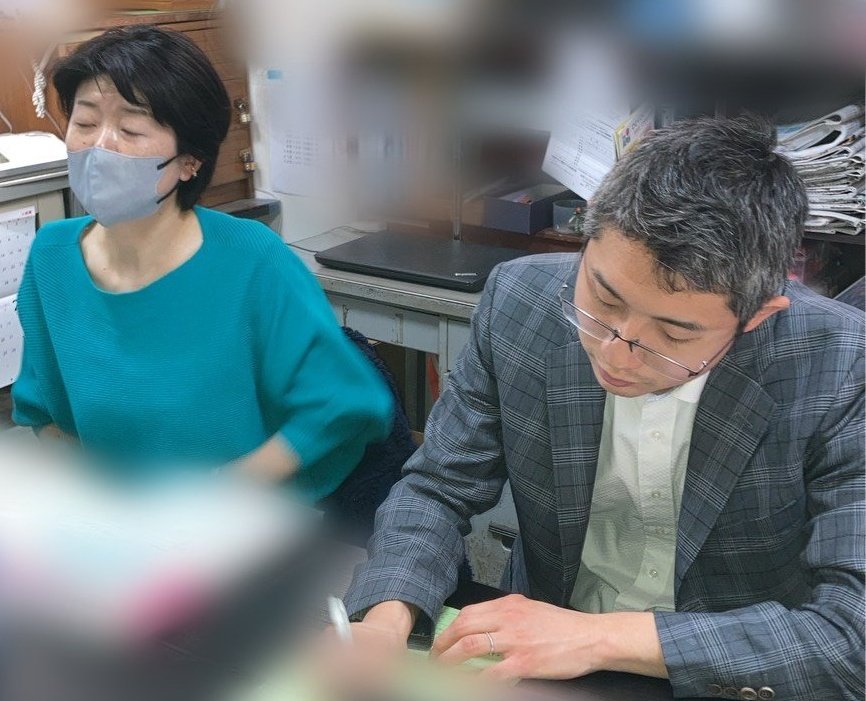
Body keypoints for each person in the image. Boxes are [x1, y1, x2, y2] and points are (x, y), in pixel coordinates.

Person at [344, 115, 865, 700]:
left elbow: (851, 635)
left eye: (673, 334)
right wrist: (384, 619)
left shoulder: (844, 365)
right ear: (587, 235)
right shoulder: (519, 303)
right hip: (541, 661)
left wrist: (598, 638)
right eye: (604, 299)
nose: (617, 354)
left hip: (728, 674)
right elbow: (438, 488)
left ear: (758, 315)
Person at [12, 25, 393, 500]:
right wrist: (104, 507)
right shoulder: (51, 256)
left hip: (235, 519)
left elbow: (343, 405)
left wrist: (210, 501)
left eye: (131, 130)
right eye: (85, 123)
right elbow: (42, 412)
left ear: (189, 161)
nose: (100, 146)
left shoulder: (252, 259)